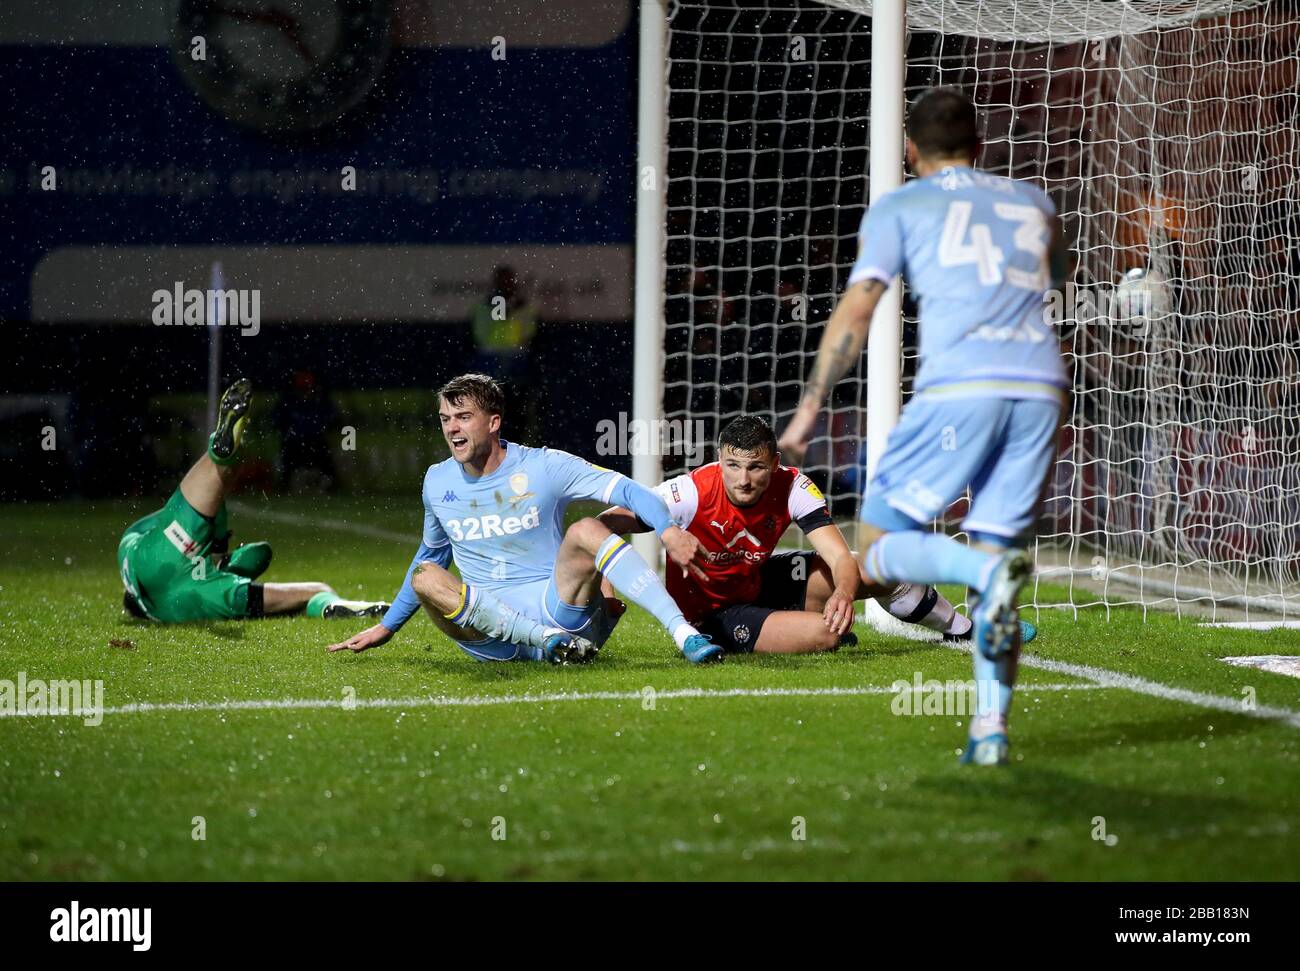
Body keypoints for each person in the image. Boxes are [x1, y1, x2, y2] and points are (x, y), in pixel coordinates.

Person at [779, 87, 1068, 766]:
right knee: (999, 556)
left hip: (959, 388)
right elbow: (1057, 277)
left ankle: (977, 575)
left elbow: (856, 314)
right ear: (981, 147)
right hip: (1041, 388)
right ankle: (989, 729)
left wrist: (812, 404)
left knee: (874, 550)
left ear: (908, 149)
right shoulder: (1036, 203)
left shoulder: (901, 206)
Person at [326, 373, 722, 664]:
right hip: (487, 631)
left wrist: (668, 530)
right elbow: (430, 552)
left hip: (556, 609)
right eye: (445, 418)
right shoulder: (436, 480)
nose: (451, 428)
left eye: (463, 416)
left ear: (493, 422)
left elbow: (629, 491)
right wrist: (387, 627)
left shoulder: (544, 466)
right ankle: (546, 642)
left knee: (586, 528)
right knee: (425, 575)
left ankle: (683, 633)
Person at [599, 415, 1035, 655]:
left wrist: (844, 593)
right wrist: (604, 586)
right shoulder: (689, 491)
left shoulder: (794, 486)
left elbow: (840, 557)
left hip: (758, 582)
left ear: (773, 463)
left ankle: (962, 629)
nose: (743, 479)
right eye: (733, 466)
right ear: (719, 461)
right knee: (826, 636)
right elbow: (603, 525)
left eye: (755, 467)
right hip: (711, 614)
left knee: (879, 568)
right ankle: (805, 632)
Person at [117, 379, 389, 623]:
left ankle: (222, 454)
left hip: (183, 596)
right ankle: (220, 454)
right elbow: (184, 506)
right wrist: (219, 543)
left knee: (314, 589)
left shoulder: (216, 584)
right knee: (213, 476)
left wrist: (218, 549)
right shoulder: (126, 549)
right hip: (164, 562)